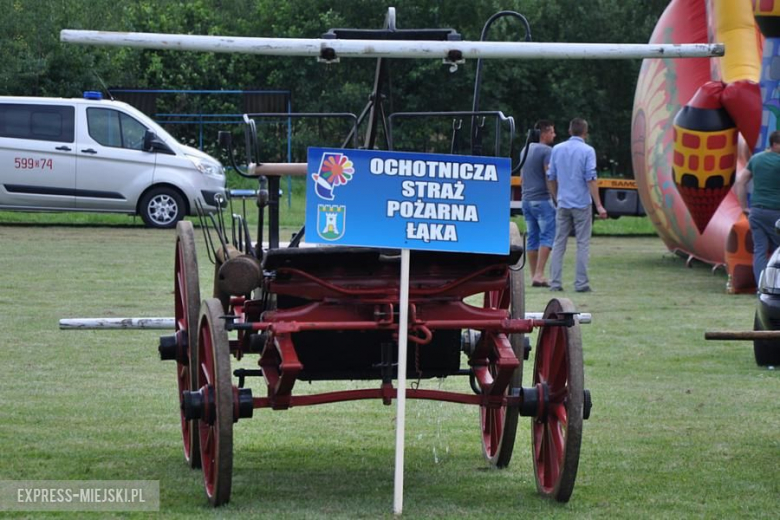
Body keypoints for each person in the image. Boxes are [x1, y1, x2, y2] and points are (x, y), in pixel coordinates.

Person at [547, 118, 608, 292]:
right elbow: (590, 178)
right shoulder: (588, 151)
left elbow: (550, 176)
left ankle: (555, 282)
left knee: (559, 243)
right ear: (585, 133)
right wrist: (599, 205)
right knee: (582, 243)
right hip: (581, 203)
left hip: (563, 202)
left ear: (569, 131)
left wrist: (557, 197)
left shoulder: (557, 149)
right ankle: (581, 283)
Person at [734, 130, 780, 285]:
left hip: (757, 211)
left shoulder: (756, 159)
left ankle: (761, 286)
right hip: (776, 212)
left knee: (759, 250)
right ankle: (775, 286)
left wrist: (744, 207)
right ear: (775, 144)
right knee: (777, 251)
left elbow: (740, 182)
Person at [520, 120, 557, 287]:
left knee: (532, 237)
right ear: (544, 134)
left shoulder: (524, 150)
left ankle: (533, 274)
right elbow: (549, 175)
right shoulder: (547, 151)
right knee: (547, 236)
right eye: (552, 132)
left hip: (526, 200)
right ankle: (540, 274)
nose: (554, 135)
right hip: (542, 200)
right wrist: (556, 197)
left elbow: (521, 177)